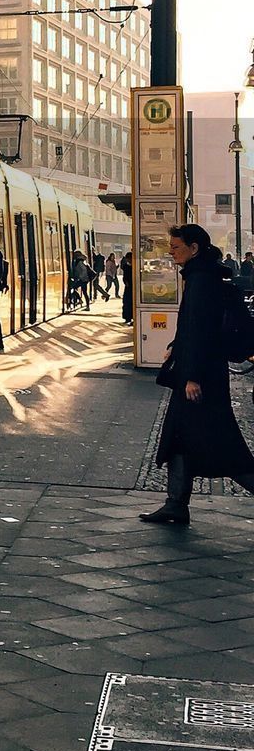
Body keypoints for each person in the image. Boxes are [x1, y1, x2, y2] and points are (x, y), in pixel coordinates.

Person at [141, 223, 254, 525]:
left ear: (194, 248)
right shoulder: (201, 276)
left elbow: (202, 332)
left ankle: (176, 504)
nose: (171, 252)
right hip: (201, 372)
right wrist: (175, 346)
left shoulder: (201, 281)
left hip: (201, 380)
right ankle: (175, 503)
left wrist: (192, 376)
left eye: (176, 247)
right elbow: (192, 327)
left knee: (223, 446)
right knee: (179, 439)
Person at [121, 252, 133, 325]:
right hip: (128, 287)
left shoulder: (135, 266)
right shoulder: (126, 266)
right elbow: (124, 277)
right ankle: (127, 317)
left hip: (134, 286)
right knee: (127, 302)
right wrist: (125, 282)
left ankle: (132, 316)